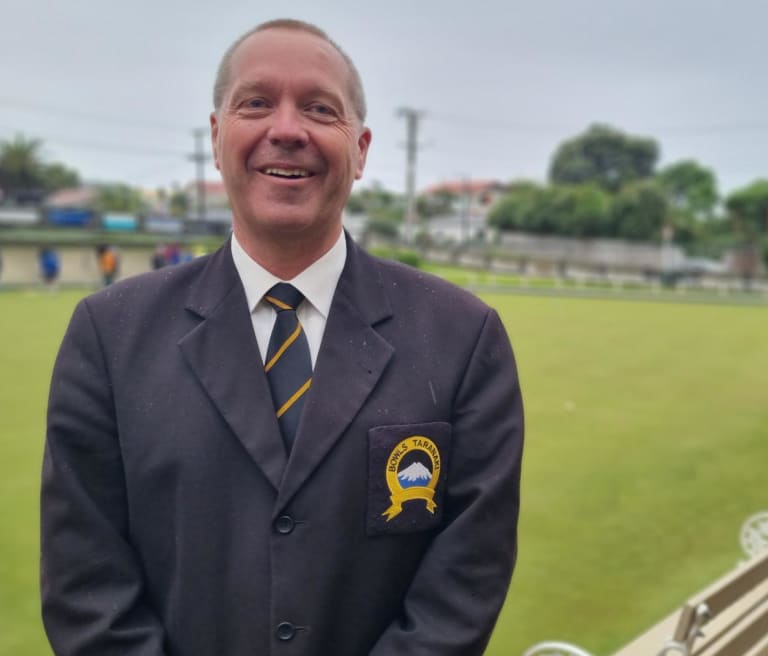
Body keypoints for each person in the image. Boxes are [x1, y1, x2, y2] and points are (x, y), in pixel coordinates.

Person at [41, 19, 524, 656]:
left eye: (321, 109)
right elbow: (87, 585)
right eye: (257, 103)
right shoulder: (109, 335)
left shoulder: (464, 339)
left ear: (361, 148)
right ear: (217, 138)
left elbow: (464, 584)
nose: (288, 129)